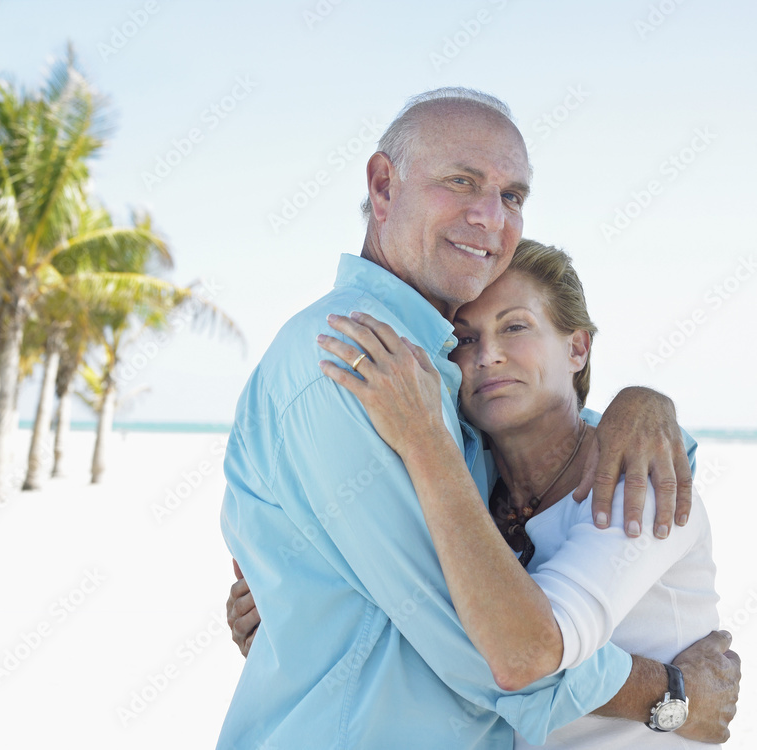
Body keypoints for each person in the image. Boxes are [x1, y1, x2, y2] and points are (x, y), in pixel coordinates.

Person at [219, 88, 740, 749]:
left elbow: (517, 487)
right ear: (383, 187)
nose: (489, 216)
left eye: (512, 196)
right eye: (460, 181)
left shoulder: (437, 382)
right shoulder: (357, 357)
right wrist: (666, 694)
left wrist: (643, 407)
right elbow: (493, 648)